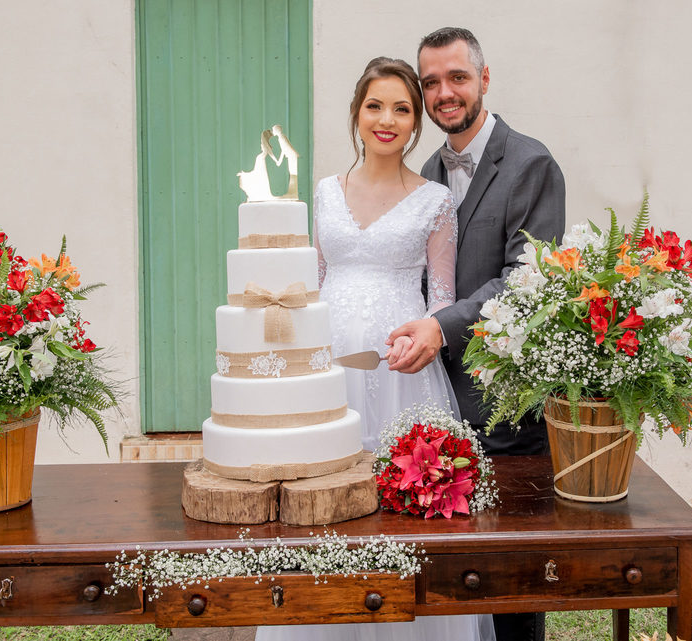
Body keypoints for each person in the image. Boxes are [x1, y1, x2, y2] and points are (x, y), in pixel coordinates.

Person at [254, 56, 495, 641]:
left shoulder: (436, 200)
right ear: (357, 113)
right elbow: (306, 283)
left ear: (415, 124)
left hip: (401, 372)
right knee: (323, 497)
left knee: (400, 503)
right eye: (375, 106)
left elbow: (442, 298)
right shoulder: (324, 192)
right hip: (327, 367)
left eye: (402, 109)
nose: (386, 119)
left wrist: (425, 339)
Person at [387, 27, 566, 641]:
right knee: (449, 584)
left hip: (504, 414)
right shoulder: (426, 173)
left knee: (511, 585)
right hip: (433, 407)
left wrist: (439, 327)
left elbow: (526, 283)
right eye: (431, 82)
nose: (444, 93)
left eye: (456, 77)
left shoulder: (531, 163)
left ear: (484, 79)